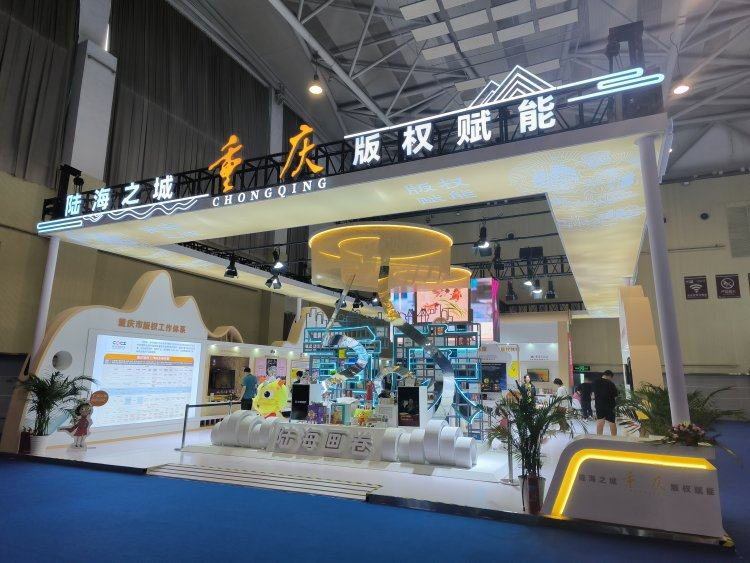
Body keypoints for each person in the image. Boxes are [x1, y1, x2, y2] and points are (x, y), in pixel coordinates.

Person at [593, 370, 619, 436]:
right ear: (609, 376)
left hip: (599, 405)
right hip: (610, 405)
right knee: (612, 422)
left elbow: (593, 394)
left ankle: (599, 437)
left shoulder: (595, 382)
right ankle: (614, 438)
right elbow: (615, 396)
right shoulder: (611, 383)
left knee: (600, 421)